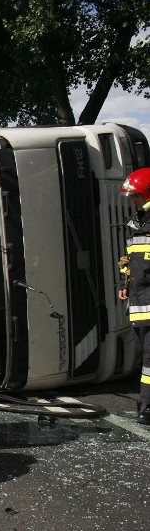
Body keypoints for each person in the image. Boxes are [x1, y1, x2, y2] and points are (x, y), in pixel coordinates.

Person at [117, 168, 150, 425]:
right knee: (143, 357)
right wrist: (125, 281)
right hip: (140, 302)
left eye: (136, 195)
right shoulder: (136, 224)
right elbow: (132, 259)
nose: (132, 200)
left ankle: (147, 405)